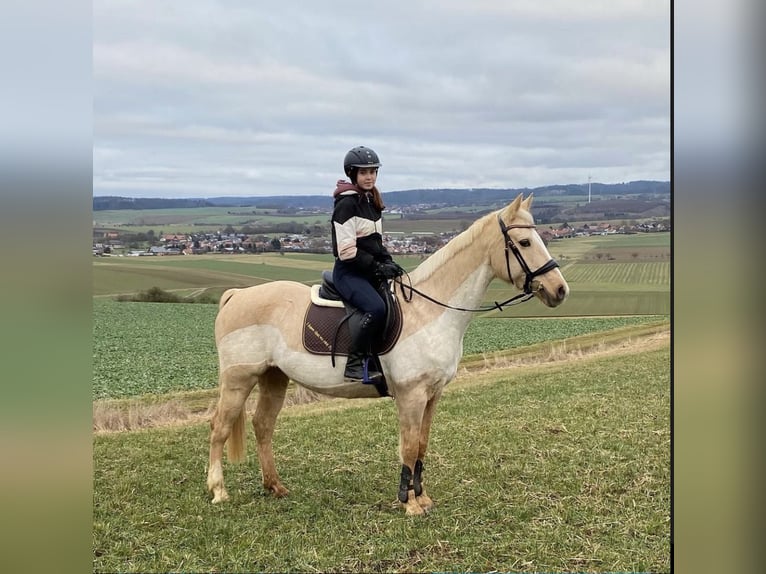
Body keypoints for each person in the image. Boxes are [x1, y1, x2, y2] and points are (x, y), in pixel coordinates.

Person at [331, 145, 404, 382]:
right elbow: (346, 251)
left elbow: (375, 243)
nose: (369, 176)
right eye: (364, 172)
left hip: (367, 271)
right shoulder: (347, 205)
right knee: (376, 308)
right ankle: (354, 364)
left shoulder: (372, 203)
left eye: (373, 171)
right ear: (353, 174)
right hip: (349, 273)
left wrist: (388, 262)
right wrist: (376, 267)